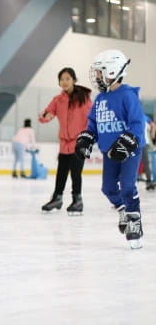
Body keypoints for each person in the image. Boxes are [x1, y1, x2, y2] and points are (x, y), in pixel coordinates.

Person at [76, 49, 146, 249]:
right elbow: (93, 124)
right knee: (107, 188)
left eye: (100, 72)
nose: (97, 76)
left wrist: (128, 140)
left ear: (113, 71)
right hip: (109, 151)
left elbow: (137, 123)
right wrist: (87, 138)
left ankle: (134, 219)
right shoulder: (100, 99)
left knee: (127, 186)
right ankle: (123, 208)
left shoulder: (128, 96)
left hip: (130, 151)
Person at [39, 67, 92, 215]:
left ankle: (77, 200)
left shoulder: (84, 99)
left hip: (79, 142)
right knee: (61, 172)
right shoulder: (58, 100)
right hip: (64, 143)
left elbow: (92, 118)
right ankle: (57, 198)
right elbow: (47, 112)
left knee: (76, 172)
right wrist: (47, 115)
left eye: (67, 79)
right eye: (62, 79)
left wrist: (88, 138)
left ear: (74, 80)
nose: (64, 82)